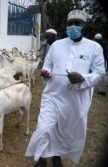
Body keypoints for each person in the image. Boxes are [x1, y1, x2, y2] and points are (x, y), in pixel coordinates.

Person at [25, 9, 105, 167]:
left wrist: (82, 78)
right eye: (70, 23)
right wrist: (46, 73)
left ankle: (56, 156)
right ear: (66, 25)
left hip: (75, 101)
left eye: (78, 23)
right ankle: (40, 159)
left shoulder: (94, 48)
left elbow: (99, 73)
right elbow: (47, 66)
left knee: (64, 132)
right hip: (52, 96)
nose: (73, 26)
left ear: (84, 26)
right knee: (43, 128)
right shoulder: (56, 45)